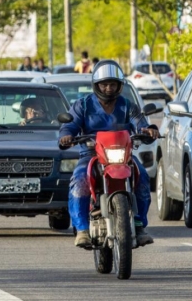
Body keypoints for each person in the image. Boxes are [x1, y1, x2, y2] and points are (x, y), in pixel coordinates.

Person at [59, 59, 159, 248]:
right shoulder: (83, 105)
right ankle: (81, 229)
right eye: (104, 84)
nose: (108, 88)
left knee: (143, 176)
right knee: (80, 179)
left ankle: (139, 225)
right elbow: (69, 126)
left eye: (112, 84)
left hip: (123, 155)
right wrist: (66, 136)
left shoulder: (127, 106)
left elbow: (141, 123)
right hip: (91, 154)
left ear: (119, 85)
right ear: (96, 85)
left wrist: (149, 130)